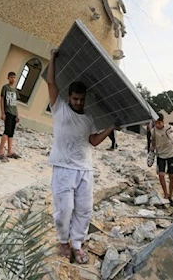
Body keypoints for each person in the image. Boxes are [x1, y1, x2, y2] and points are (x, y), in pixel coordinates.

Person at [47, 48, 117, 264]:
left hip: (85, 169)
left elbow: (94, 141)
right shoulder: (59, 108)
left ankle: (77, 244)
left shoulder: (88, 118)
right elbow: (51, 83)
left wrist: (111, 127)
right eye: (75, 98)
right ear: (69, 97)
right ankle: (62, 241)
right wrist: (53, 58)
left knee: (84, 210)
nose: (78, 102)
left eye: (81, 99)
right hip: (63, 168)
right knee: (65, 208)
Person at [150, 116, 173, 206]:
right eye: (155, 123)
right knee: (161, 175)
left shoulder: (169, 128)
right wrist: (152, 147)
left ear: (163, 122)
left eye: (159, 123)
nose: (157, 125)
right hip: (160, 155)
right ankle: (165, 194)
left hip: (171, 154)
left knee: (172, 176)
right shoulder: (153, 131)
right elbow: (153, 140)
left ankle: (170, 195)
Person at [0, 72, 21, 161]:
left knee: (11, 133)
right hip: (8, 112)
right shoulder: (5, 88)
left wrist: (17, 114)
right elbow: (2, 100)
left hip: (14, 113)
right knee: (6, 131)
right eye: (11, 77)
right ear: (8, 78)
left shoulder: (15, 90)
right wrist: (2, 112)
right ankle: (0, 151)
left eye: (14, 77)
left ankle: (10, 151)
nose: (13, 79)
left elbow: (15, 103)